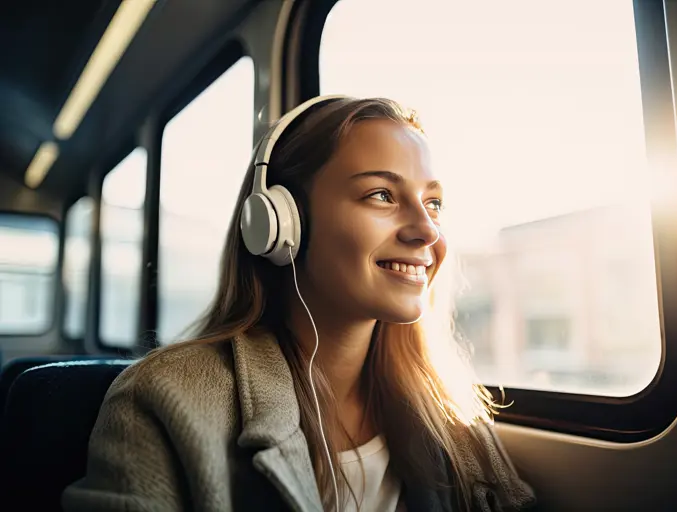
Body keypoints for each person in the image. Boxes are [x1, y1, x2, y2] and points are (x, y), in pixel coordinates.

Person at [61, 95, 537, 512]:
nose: (427, 230)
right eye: (382, 195)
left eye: (433, 204)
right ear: (279, 224)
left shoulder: (450, 412)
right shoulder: (163, 400)